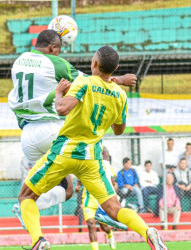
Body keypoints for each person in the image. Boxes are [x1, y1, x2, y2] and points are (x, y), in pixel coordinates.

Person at [18, 45, 167, 250]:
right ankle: (147, 231)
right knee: (114, 208)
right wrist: (115, 87)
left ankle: (38, 240)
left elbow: (62, 109)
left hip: (66, 151)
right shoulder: (120, 95)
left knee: (27, 196)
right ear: (115, 69)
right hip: (92, 159)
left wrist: (59, 93)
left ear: (94, 63)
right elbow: (118, 130)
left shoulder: (84, 82)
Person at [9, 29, 136, 225]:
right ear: (52, 47)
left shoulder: (20, 61)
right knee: (96, 153)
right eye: (58, 49)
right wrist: (120, 80)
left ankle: (23, 207)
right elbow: (95, 81)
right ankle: (104, 206)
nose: (59, 54)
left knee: (67, 188)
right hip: (50, 128)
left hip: (27, 137)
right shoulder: (55, 62)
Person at [75, 147, 117, 250]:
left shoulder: (105, 166)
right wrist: (78, 187)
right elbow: (79, 181)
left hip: (101, 201)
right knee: (91, 224)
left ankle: (110, 234)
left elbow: (113, 181)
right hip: (88, 201)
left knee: (104, 226)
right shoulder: (84, 166)